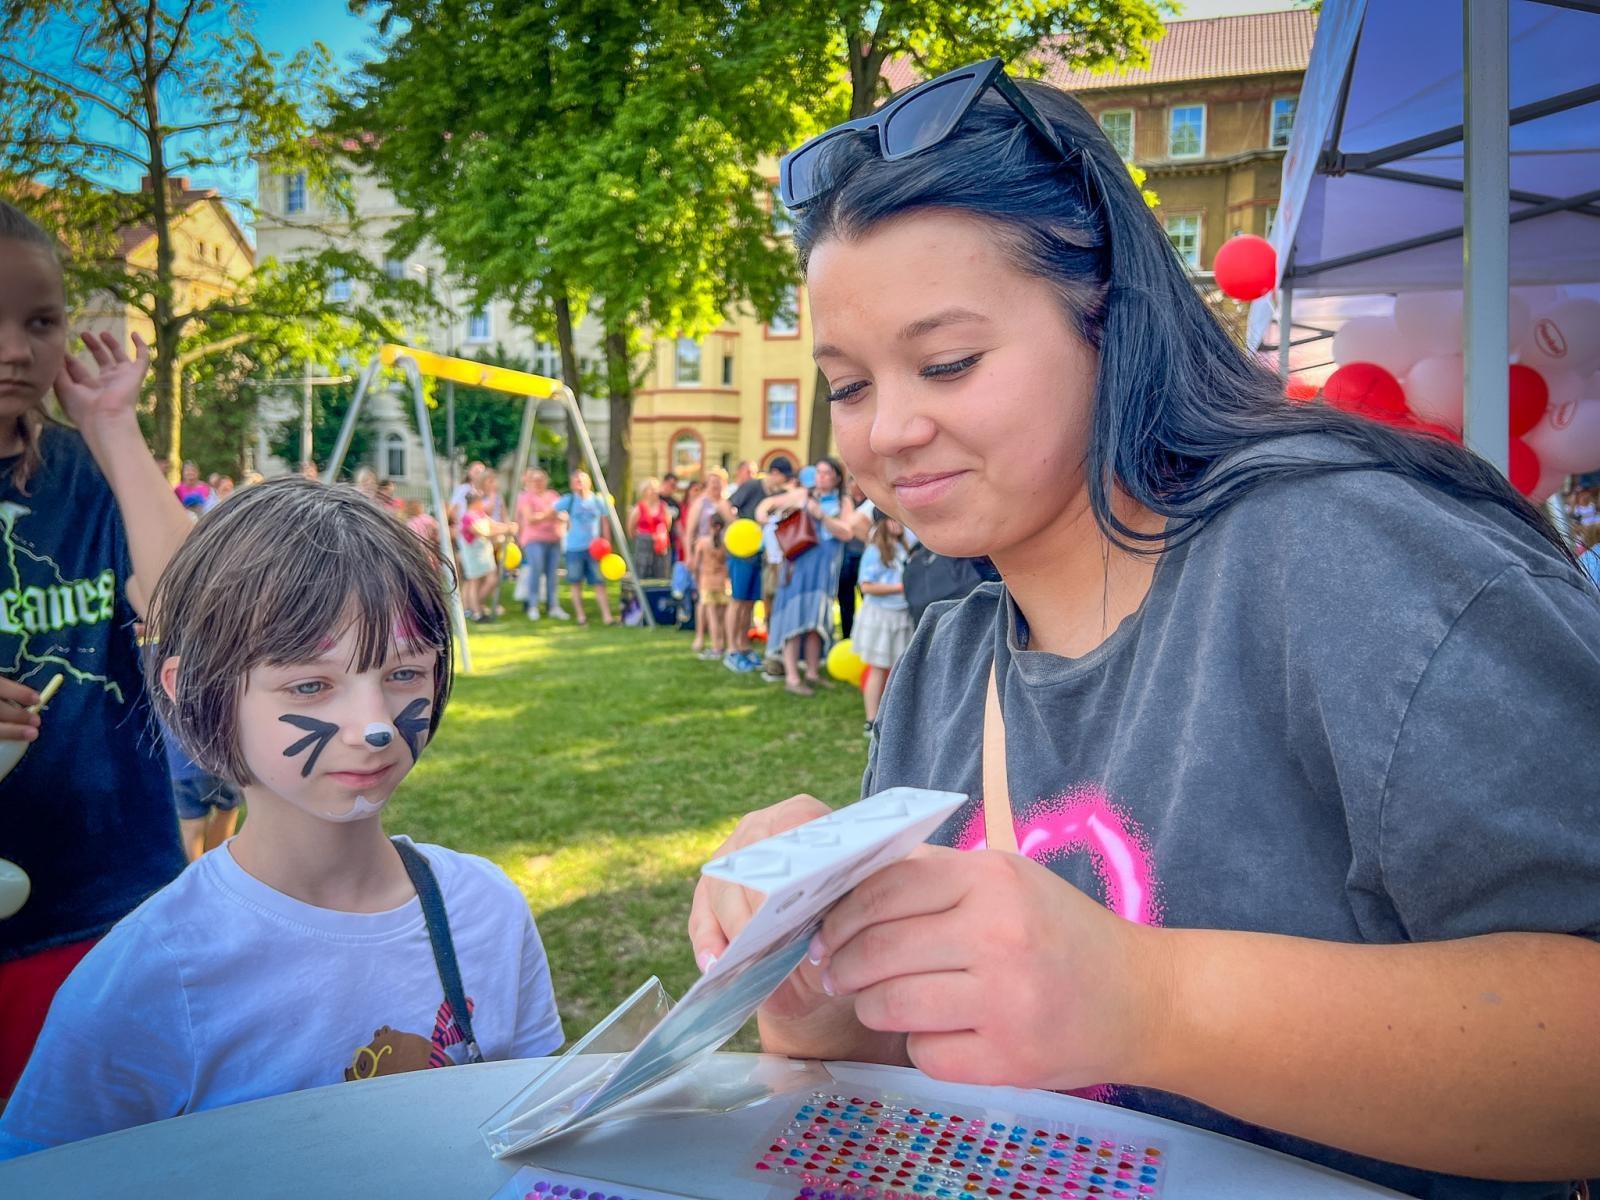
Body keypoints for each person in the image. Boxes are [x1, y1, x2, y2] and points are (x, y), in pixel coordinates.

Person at [687, 63, 1600, 1198]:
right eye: (850, 385)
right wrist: (808, 971)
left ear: (1106, 313)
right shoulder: (950, 649)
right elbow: (902, 1058)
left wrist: (1144, 999)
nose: (890, 431)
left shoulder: (1351, 560)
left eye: (948, 362)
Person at [0, 478, 563, 1156]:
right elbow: (38, 1174)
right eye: (310, 685)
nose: (375, 725)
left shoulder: (487, 911)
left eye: (405, 673)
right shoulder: (151, 972)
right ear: (193, 691)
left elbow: (539, 1132)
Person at [0, 202, 190, 1100]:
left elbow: (203, 604)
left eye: (40, 323)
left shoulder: (87, 474)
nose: (15, 350)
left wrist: (116, 429)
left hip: (116, 892)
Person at [756, 457, 855, 696]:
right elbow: (766, 504)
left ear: (837, 477)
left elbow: (846, 533)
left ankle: (812, 672)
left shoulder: (843, 501)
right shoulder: (802, 494)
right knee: (794, 619)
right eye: (818, 472)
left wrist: (821, 516)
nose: (820, 477)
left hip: (823, 570)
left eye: (826, 473)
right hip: (798, 567)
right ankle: (792, 677)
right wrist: (768, 522)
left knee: (815, 622)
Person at [722, 457, 788, 673]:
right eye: (784, 477)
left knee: (749, 603)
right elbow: (725, 505)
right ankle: (731, 650)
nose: (784, 482)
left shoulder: (776, 495)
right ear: (775, 473)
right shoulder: (752, 486)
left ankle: (744, 647)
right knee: (738, 601)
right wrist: (739, 529)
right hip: (741, 555)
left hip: (760, 556)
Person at [852, 515, 911, 737]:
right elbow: (866, 586)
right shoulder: (875, 551)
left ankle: (893, 715)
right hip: (881, 615)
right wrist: (898, 588)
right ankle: (871, 718)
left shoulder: (902, 546)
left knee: (897, 666)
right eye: (892, 520)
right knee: (878, 667)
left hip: (900, 613)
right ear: (882, 523)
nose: (898, 524)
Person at [682, 468, 732, 654]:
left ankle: (723, 638)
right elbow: (689, 531)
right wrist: (689, 554)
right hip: (704, 552)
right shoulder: (700, 503)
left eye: (718, 481)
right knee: (704, 598)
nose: (715, 484)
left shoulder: (727, 503)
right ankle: (701, 636)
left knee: (723, 600)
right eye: (712, 481)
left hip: (724, 553)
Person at [555, 470, 615, 626]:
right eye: (575, 480)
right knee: (576, 583)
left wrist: (606, 541)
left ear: (589, 482)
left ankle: (607, 617)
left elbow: (605, 521)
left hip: (594, 549)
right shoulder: (568, 501)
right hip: (574, 548)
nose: (578, 482)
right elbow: (552, 511)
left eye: (581, 479)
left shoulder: (597, 500)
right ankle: (581, 617)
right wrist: (562, 520)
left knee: (599, 582)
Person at [515, 467, 567, 620]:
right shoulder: (525, 497)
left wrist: (545, 516)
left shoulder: (553, 495)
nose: (538, 483)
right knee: (535, 571)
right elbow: (530, 518)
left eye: (541, 480)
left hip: (553, 538)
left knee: (552, 574)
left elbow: (562, 515)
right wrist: (549, 515)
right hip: (534, 540)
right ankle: (533, 606)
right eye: (535, 480)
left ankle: (553, 606)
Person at [691, 512, 730, 661]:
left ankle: (716, 646)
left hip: (707, 582)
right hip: (723, 582)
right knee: (723, 616)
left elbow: (695, 564)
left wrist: (696, 577)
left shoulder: (702, 542)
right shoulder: (725, 543)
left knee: (712, 616)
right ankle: (726, 643)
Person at [836, 475, 869, 638]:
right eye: (853, 481)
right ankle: (846, 635)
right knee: (845, 599)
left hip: (865, 556)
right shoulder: (844, 503)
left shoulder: (872, 501)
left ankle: (865, 636)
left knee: (867, 599)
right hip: (846, 557)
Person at [627, 477, 672, 579]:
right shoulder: (639, 508)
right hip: (644, 544)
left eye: (656, 488)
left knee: (662, 572)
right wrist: (642, 537)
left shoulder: (663, 507)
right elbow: (631, 528)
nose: (654, 491)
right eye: (651, 489)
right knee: (642, 571)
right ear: (644, 491)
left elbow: (668, 524)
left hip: (661, 545)